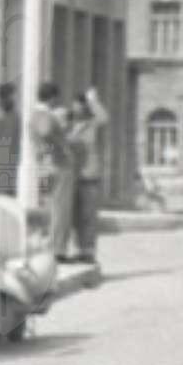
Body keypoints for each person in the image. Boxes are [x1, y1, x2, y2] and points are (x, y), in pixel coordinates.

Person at [30, 81, 75, 256]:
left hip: (44, 164)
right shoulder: (45, 115)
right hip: (57, 164)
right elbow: (46, 132)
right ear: (51, 97)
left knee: (48, 205)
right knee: (61, 207)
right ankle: (57, 250)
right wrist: (61, 147)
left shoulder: (34, 114)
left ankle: (47, 246)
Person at [65, 86, 108, 264]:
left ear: (85, 107)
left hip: (90, 175)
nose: (76, 108)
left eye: (79, 105)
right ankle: (78, 249)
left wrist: (93, 100)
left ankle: (88, 251)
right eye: (74, 105)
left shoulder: (92, 124)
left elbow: (103, 117)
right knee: (75, 216)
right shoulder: (68, 125)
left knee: (88, 215)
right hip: (72, 176)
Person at [0, 83, 22, 197]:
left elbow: (17, 139)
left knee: (9, 195)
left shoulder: (15, 115)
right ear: (5, 97)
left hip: (10, 162)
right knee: (0, 196)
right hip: (1, 162)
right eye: (12, 95)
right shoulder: (0, 116)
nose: (15, 98)